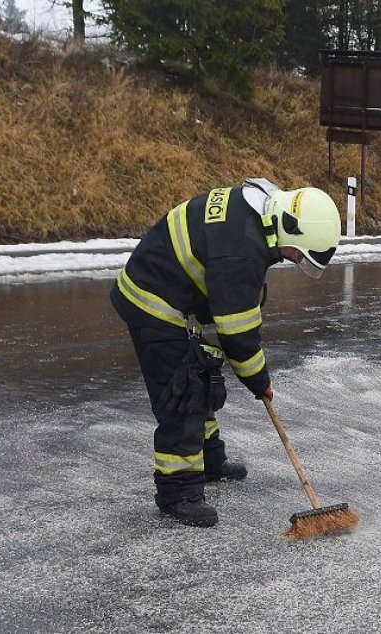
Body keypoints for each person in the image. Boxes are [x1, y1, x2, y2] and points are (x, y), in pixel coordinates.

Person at [110, 178, 341, 527]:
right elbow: (238, 334)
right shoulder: (242, 249)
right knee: (183, 393)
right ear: (290, 230)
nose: (292, 260)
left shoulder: (259, 211)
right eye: (296, 254)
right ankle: (179, 493)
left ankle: (208, 459)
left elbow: (230, 308)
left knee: (202, 375)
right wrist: (259, 381)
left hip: (179, 295)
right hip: (153, 302)